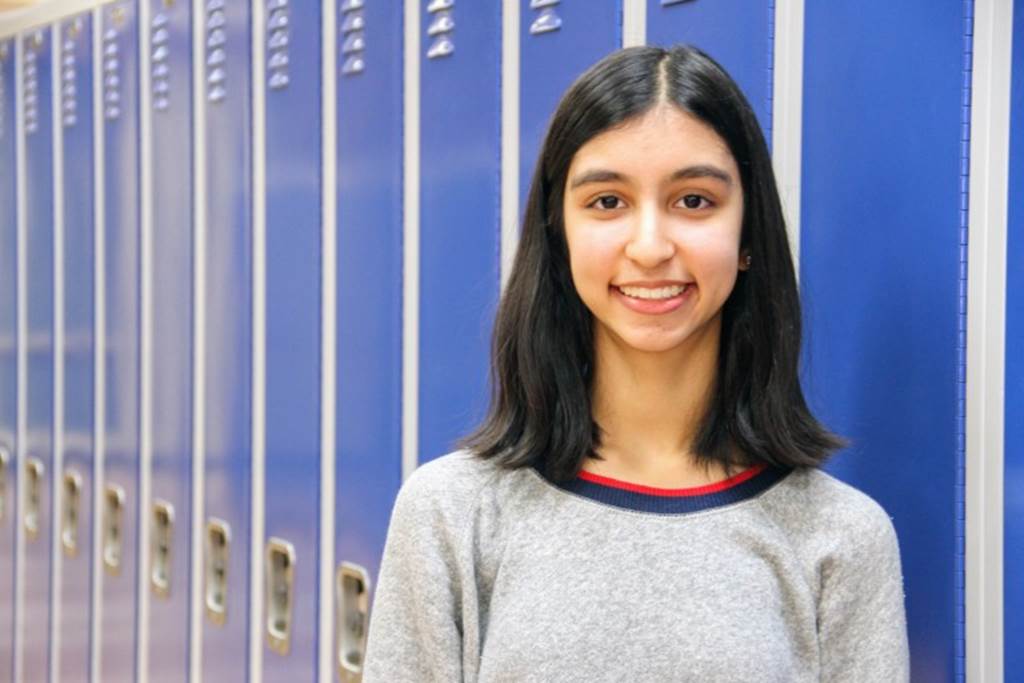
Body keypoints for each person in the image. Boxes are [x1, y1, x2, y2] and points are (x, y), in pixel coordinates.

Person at [362, 44, 910, 682]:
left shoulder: (840, 538)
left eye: (694, 201)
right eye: (607, 203)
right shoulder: (454, 513)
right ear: (558, 233)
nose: (650, 247)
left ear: (748, 238)